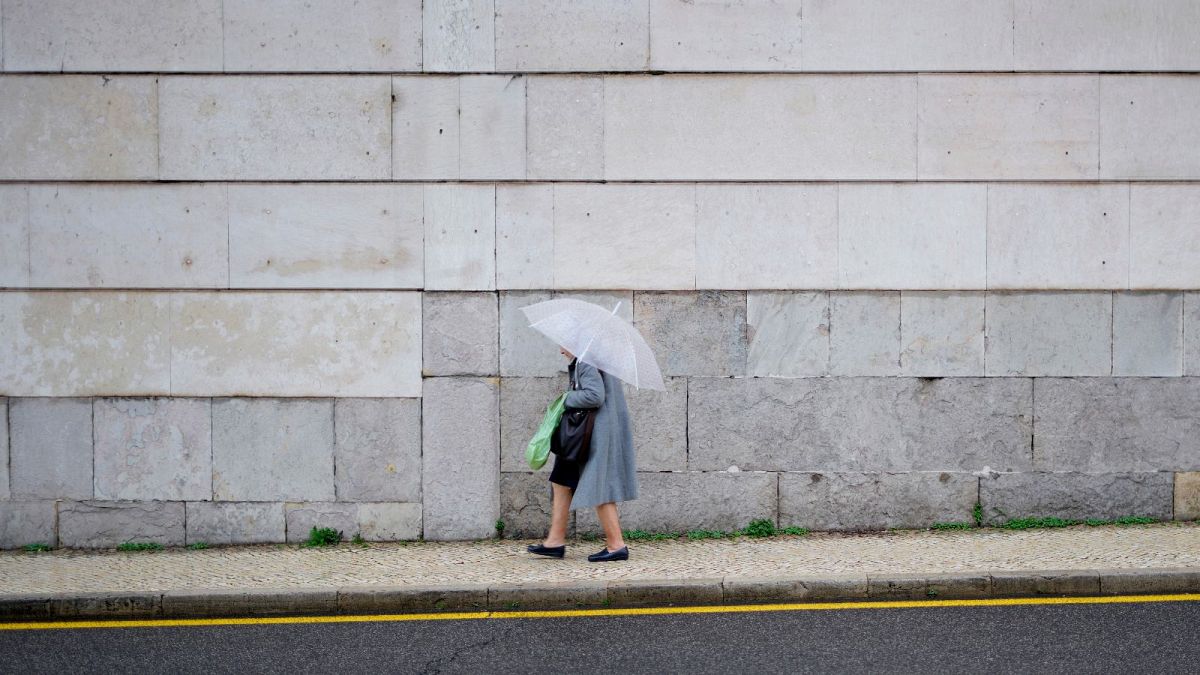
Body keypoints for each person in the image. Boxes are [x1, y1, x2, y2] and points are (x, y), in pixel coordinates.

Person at [527, 346, 639, 562]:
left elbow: (595, 396)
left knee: (599, 484)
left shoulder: (586, 360)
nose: (560, 350)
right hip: (588, 433)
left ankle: (616, 546)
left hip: (591, 435)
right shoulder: (592, 357)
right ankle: (555, 541)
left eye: (563, 343)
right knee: (561, 479)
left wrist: (566, 398)